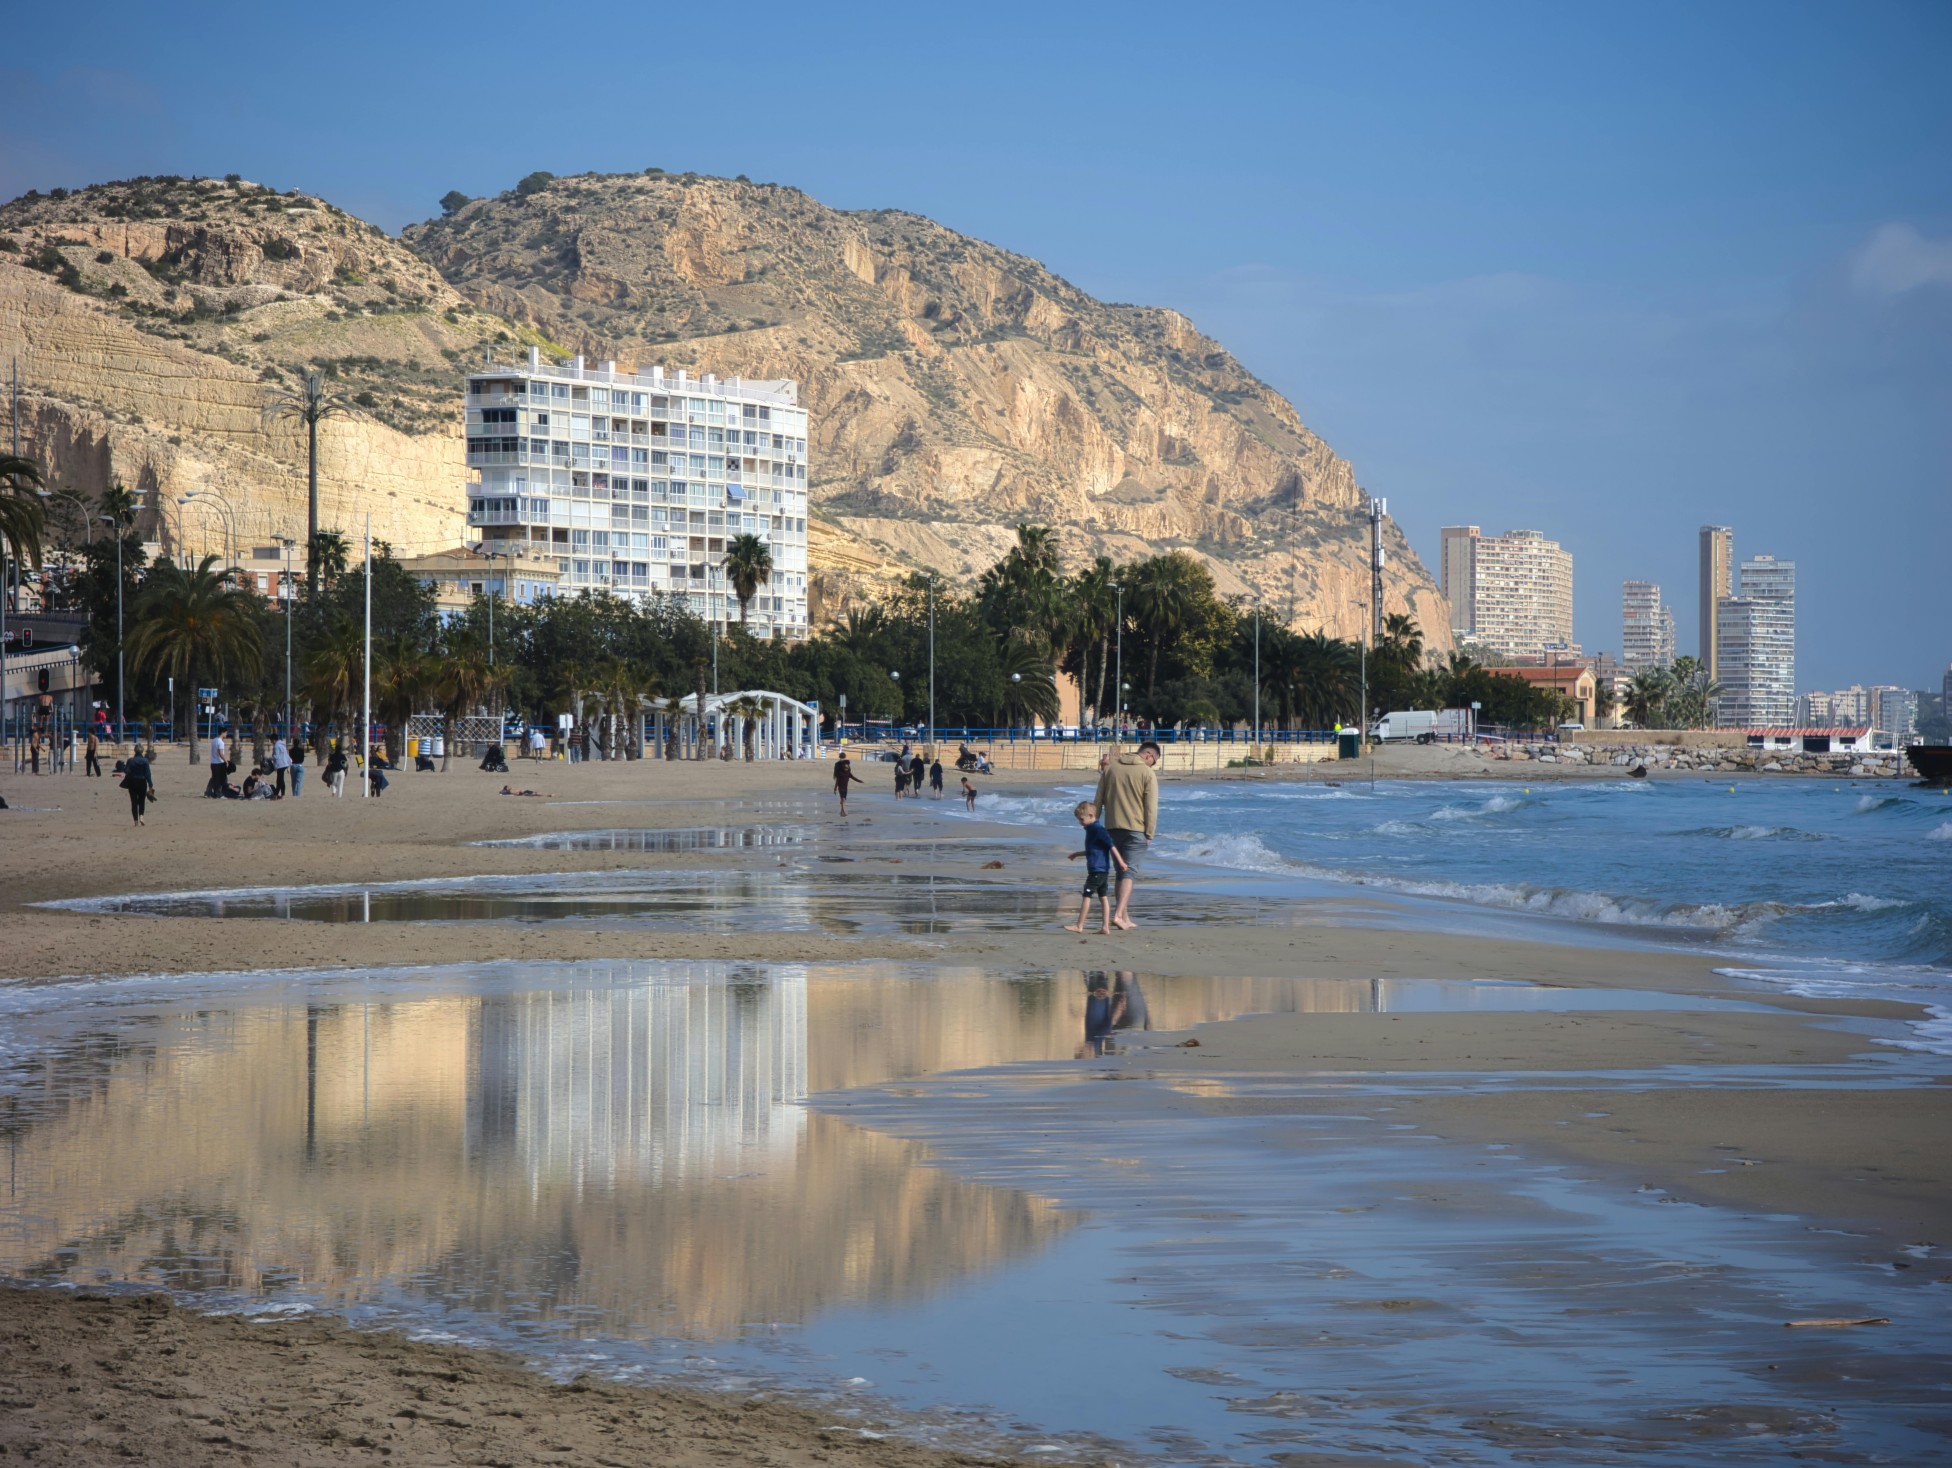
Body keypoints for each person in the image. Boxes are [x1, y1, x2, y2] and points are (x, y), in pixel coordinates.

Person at [1094, 740, 1160, 930]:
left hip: (1112, 827)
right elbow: (1151, 807)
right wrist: (1150, 833)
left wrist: (1094, 825)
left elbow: (1098, 799)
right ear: (1149, 755)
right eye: (1154, 761)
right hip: (1136, 829)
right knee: (1129, 873)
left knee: (1120, 873)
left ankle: (1124, 916)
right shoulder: (1147, 773)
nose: (1153, 765)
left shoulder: (1110, 769)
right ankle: (1117, 915)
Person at [1064, 799, 1129, 935]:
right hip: (1102, 870)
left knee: (1087, 895)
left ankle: (1079, 925)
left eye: (1081, 819)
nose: (1080, 822)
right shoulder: (1091, 829)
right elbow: (1093, 850)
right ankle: (1105, 927)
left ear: (1091, 816)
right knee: (1103, 897)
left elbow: (1111, 846)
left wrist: (1121, 862)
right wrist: (1077, 854)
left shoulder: (1098, 830)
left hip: (1097, 870)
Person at [120, 746, 155, 827]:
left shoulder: (130, 760)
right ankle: (141, 816)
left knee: (134, 802)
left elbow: (126, 771)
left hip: (132, 782)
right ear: (142, 751)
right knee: (142, 801)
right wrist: (150, 784)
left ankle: (135, 821)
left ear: (135, 751)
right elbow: (147, 774)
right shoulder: (145, 761)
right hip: (142, 782)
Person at [207, 727, 230, 799]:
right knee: (220, 779)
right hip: (219, 763)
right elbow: (220, 753)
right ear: (223, 732)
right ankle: (218, 793)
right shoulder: (220, 742)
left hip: (213, 762)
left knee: (214, 778)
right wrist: (226, 761)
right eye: (226, 733)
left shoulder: (214, 740)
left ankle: (211, 792)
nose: (226, 734)